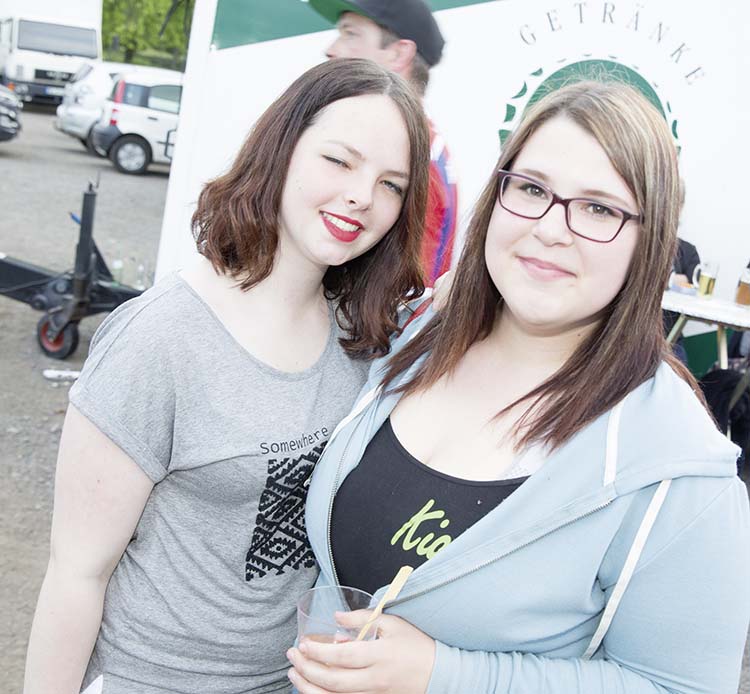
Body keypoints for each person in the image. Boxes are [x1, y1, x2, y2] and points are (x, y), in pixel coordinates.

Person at [289, 81, 750, 693]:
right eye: (531, 189)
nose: (552, 230)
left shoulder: (678, 469)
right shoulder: (413, 336)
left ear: (651, 240)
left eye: (599, 209)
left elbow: (681, 687)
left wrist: (445, 676)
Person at [22, 58, 431, 694]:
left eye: (391, 184)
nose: (361, 196)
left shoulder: (366, 335)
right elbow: (76, 574)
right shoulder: (160, 338)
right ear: (282, 148)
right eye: (339, 160)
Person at [310, 0, 458, 286]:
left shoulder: (411, 155)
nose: (331, 49)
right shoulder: (418, 144)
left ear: (398, 53)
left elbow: (398, 294)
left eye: (350, 34)